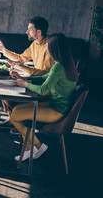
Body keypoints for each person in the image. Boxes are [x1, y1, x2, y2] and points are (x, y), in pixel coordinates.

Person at [10, 33, 78, 161]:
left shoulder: (58, 67)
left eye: (47, 46)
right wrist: (25, 78)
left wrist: (25, 84)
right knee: (16, 109)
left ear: (53, 49)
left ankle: (38, 145)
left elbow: (43, 90)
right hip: (58, 106)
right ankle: (29, 146)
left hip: (57, 112)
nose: (46, 49)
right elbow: (43, 78)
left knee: (14, 116)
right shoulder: (66, 63)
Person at [0, 17, 55, 132]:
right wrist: (4, 51)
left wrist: (21, 69)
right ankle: (13, 120)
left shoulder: (49, 46)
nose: (26, 32)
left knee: (9, 88)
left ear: (38, 32)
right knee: (4, 88)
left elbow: (46, 73)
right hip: (36, 81)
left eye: (30, 29)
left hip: (44, 89)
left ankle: (17, 122)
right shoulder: (36, 43)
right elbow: (21, 58)